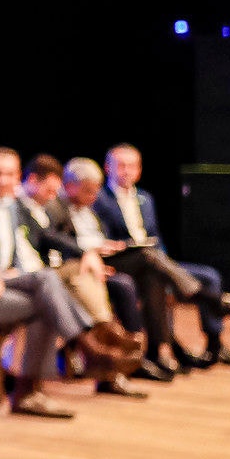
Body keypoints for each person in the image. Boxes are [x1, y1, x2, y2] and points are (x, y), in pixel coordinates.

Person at [0, 147, 143, 406]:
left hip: (16, 275)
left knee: (73, 274)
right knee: (48, 286)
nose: (5, 180)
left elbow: (23, 245)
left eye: (11, 174)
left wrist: (85, 252)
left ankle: (94, 344)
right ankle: (90, 347)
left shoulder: (7, 204)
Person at [94, 144, 230, 370]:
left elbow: (157, 238)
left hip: (156, 262)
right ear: (107, 168)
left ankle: (214, 344)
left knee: (209, 275)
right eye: (120, 165)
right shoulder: (98, 199)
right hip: (124, 264)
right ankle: (214, 302)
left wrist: (167, 266)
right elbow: (99, 239)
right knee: (153, 266)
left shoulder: (145, 198)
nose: (126, 171)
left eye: (132, 166)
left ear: (139, 170)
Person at [20, 155, 151, 396]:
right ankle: (100, 347)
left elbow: (54, 238)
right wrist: (87, 253)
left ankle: (104, 351)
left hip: (51, 271)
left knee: (95, 274)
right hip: (35, 275)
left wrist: (88, 254)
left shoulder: (42, 206)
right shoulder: (27, 205)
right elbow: (50, 239)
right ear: (31, 181)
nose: (53, 195)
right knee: (86, 276)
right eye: (51, 190)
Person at [57, 156, 176, 382]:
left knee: (150, 275)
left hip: (101, 262)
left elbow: (99, 235)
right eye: (88, 191)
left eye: (95, 191)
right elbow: (56, 241)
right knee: (133, 275)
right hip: (78, 268)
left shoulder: (90, 208)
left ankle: (143, 354)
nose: (93, 197)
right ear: (70, 186)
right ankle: (120, 354)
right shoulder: (59, 209)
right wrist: (91, 251)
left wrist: (103, 247)